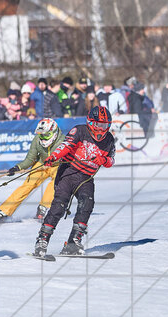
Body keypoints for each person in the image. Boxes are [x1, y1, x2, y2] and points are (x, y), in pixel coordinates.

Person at [33, 106, 115, 257]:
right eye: (98, 124)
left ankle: (73, 242)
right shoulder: (79, 130)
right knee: (59, 206)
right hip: (68, 172)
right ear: (90, 122)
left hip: (86, 178)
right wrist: (53, 157)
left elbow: (111, 160)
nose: (101, 129)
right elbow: (65, 146)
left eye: (104, 125)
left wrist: (103, 159)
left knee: (87, 205)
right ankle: (42, 240)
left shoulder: (109, 139)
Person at [0, 118, 63, 225]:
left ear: (53, 132)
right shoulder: (37, 140)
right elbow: (30, 159)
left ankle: (43, 207)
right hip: (42, 164)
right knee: (27, 185)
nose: (42, 138)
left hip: (57, 166)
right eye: (41, 135)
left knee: (56, 182)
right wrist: (17, 167)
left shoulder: (63, 140)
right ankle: (4, 211)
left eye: (45, 135)